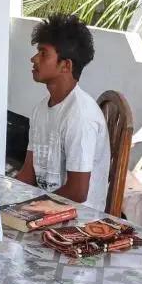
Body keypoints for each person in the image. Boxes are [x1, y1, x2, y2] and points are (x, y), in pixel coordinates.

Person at [16, 14, 111, 211]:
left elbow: (78, 192)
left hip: (79, 218)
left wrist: (31, 206)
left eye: (43, 53)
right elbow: (28, 174)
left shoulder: (81, 116)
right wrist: (2, 196)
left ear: (66, 65)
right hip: (47, 207)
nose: (33, 59)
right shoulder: (41, 109)